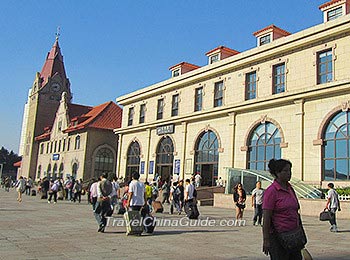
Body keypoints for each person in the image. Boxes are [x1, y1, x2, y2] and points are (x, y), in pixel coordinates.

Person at [262, 159, 305, 260]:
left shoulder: (290, 189)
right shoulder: (271, 191)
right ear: (277, 173)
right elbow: (267, 218)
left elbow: (296, 211)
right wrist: (266, 240)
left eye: (290, 170)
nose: (289, 173)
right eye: (285, 171)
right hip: (278, 238)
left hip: (294, 235)